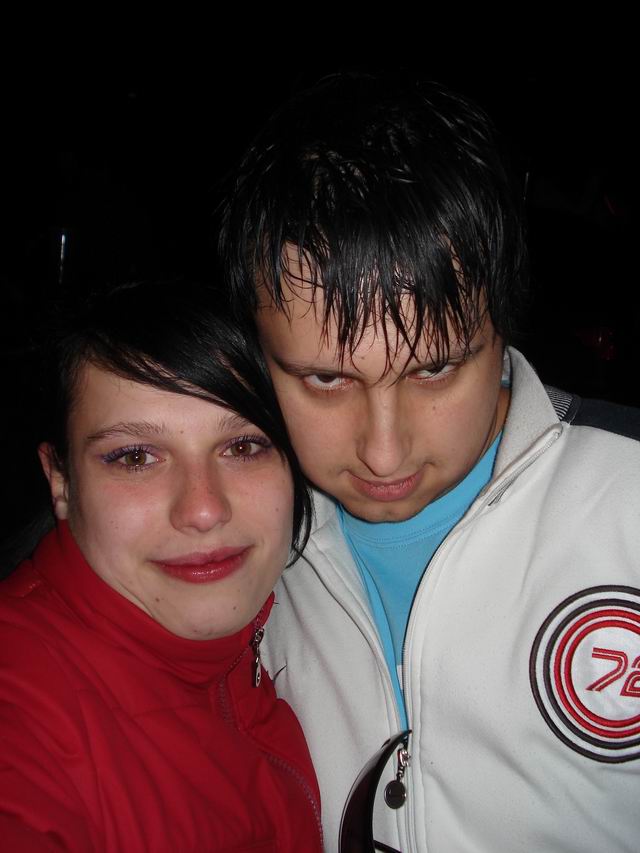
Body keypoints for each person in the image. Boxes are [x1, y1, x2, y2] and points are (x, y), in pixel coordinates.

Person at [220, 72, 640, 852]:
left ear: (505, 320)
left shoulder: (629, 501)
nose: (384, 452)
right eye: (325, 380)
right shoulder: (231, 542)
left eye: (435, 369)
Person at [0, 279, 323, 852]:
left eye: (243, 446)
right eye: (135, 457)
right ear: (61, 481)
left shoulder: (285, 633)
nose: (203, 509)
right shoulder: (23, 697)